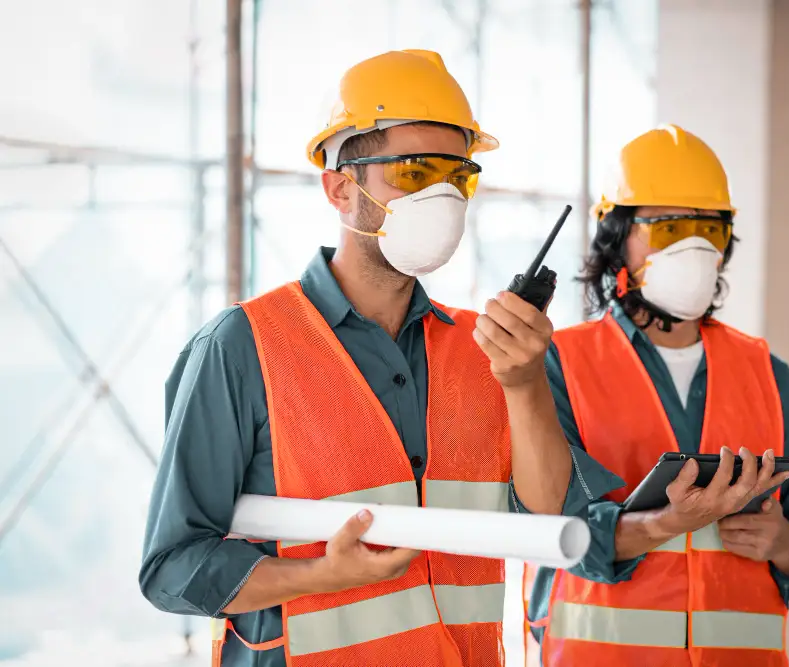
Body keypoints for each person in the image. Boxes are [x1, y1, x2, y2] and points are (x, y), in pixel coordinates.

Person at [140, 49, 606, 667]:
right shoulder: (241, 346)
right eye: (414, 173)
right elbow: (171, 566)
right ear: (339, 187)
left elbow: (549, 517)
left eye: (456, 176)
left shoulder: (489, 352)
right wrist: (317, 576)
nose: (442, 196)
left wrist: (522, 382)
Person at [523, 126, 789, 667]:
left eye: (708, 229)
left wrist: (784, 543)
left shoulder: (770, 375)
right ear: (617, 236)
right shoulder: (555, 365)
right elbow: (554, 525)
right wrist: (662, 525)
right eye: (669, 228)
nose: (692, 247)